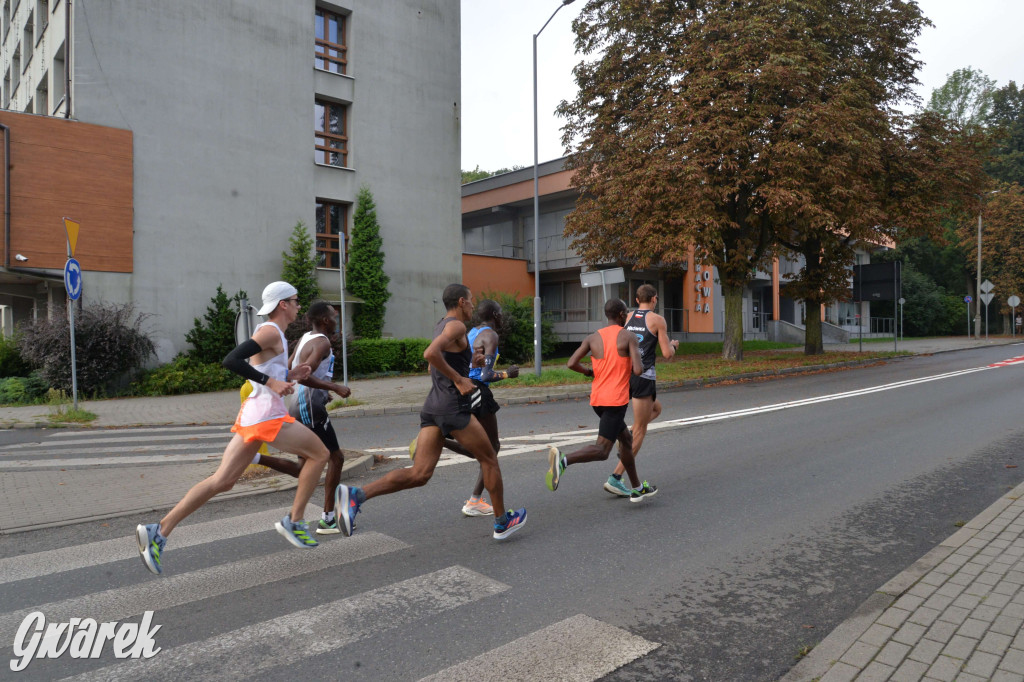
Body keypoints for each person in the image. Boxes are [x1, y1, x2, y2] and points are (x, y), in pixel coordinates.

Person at [136, 282, 329, 575]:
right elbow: (231, 360)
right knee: (319, 454)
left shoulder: (276, 335)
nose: (299, 305)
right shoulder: (269, 331)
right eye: (295, 300)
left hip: (256, 415)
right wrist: (272, 383)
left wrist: (289, 375)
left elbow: (263, 372)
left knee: (222, 481)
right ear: (282, 305)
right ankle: (295, 520)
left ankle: (159, 531)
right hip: (266, 415)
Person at [335, 284, 527, 541]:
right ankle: (502, 522)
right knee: (490, 457)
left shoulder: (441, 325)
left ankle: (356, 496)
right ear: (461, 302)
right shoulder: (457, 326)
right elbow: (430, 354)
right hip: (452, 407)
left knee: (420, 474)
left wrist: (472, 363)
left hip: (432, 407)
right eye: (470, 301)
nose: (472, 305)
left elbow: (432, 366)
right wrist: (459, 379)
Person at [410, 299, 519, 517]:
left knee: (486, 450)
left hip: (464, 391)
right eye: (501, 313)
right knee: (490, 450)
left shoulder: (470, 332)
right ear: (495, 315)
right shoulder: (491, 335)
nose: (502, 317)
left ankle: (475, 499)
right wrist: (508, 374)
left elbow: (460, 361)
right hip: (478, 391)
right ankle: (477, 502)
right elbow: (486, 375)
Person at [249, 301, 351, 534]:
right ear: (325, 320)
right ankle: (327, 519)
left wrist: (322, 391)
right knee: (336, 458)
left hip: (300, 405)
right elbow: (304, 376)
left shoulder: (306, 337)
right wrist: (334, 387)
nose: (337, 320)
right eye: (334, 316)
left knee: (301, 468)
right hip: (308, 407)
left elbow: (288, 367)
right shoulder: (322, 342)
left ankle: (254, 458)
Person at [546, 298, 657, 502]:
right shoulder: (629, 336)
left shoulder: (593, 337)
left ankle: (637, 487)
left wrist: (589, 372)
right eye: (626, 313)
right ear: (622, 315)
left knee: (626, 439)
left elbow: (571, 363)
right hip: (615, 401)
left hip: (598, 400)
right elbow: (639, 369)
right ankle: (563, 461)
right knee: (602, 450)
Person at [604, 284, 679, 496]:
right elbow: (666, 354)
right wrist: (674, 345)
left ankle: (627, 435)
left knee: (656, 409)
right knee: (640, 431)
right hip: (643, 377)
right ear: (654, 299)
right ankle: (616, 477)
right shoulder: (657, 320)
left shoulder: (626, 317)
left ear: (637, 300)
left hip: (625, 375)